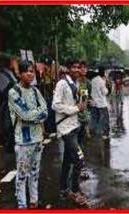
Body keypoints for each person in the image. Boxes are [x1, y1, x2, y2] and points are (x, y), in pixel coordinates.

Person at [8, 60, 48, 209]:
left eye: (32, 71)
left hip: (38, 138)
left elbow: (45, 111)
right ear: (20, 73)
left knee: (35, 172)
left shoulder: (35, 91)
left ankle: (34, 201)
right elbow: (25, 115)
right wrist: (37, 115)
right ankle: (22, 205)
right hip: (23, 141)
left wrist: (36, 115)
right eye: (27, 71)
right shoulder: (14, 92)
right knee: (22, 174)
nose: (30, 74)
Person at [52, 59, 89, 205]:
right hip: (65, 129)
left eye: (78, 67)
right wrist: (75, 109)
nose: (76, 70)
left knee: (68, 161)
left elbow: (81, 103)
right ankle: (74, 189)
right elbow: (55, 105)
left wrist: (83, 105)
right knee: (79, 160)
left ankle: (64, 190)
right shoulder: (62, 83)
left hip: (76, 126)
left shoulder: (79, 84)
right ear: (68, 69)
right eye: (73, 67)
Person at [90, 66, 110, 139]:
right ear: (103, 73)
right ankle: (105, 133)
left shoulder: (93, 80)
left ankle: (93, 133)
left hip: (94, 103)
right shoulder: (102, 81)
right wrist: (106, 84)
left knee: (94, 119)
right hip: (102, 103)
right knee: (105, 119)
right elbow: (105, 92)